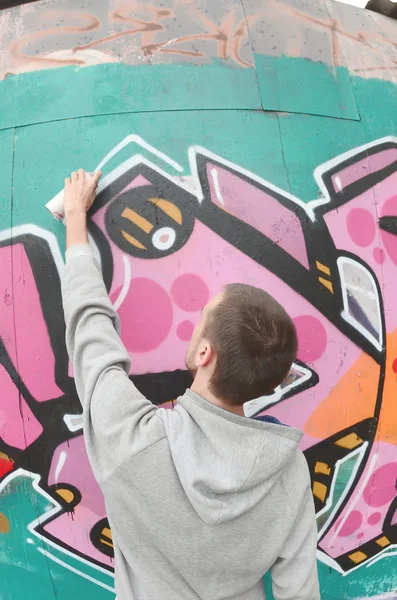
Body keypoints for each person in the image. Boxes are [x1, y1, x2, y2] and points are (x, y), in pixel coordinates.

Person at [61, 169, 321, 600]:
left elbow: (91, 334)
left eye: (202, 319)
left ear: (205, 354)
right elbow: (300, 593)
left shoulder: (131, 440)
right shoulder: (289, 473)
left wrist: (74, 220)